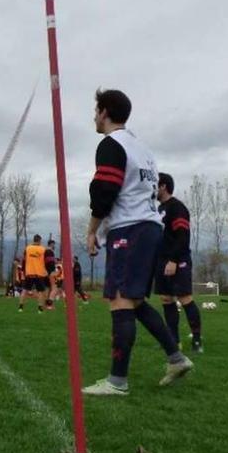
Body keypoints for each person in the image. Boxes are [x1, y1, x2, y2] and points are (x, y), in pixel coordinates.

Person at [82, 89, 192, 396]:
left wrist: (93, 231)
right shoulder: (143, 149)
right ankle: (176, 357)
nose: (93, 116)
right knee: (135, 300)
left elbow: (105, 191)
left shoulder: (111, 144)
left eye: (95, 110)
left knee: (119, 299)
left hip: (129, 230)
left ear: (104, 112)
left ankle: (117, 382)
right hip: (149, 229)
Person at [155, 173, 203, 352]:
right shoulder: (158, 210)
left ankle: (197, 340)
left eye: (155, 185)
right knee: (166, 300)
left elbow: (182, 236)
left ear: (163, 186)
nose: (152, 189)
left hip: (178, 260)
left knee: (184, 298)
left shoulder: (177, 207)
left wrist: (174, 260)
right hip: (161, 261)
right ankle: (174, 341)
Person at [19, 235, 48, 313]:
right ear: (39, 241)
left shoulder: (27, 248)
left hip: (29, 273)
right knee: (40, 291)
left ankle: (20, 307)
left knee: (24, 290)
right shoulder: (43, 249)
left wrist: (23, 270)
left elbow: (24, 260)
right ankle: (40, 308)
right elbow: (46, 261)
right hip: (39, 273)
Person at [44, 239, 59, 307]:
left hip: (46, 272)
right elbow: (49, 263)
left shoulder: (46, 251)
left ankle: (46, 304)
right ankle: (49, 304)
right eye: (54, 244)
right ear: (51, 244)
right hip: (51, 272)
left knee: (48, 288)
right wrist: (52, 272)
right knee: (55, 288)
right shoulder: (49, 252)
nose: (54, 246)